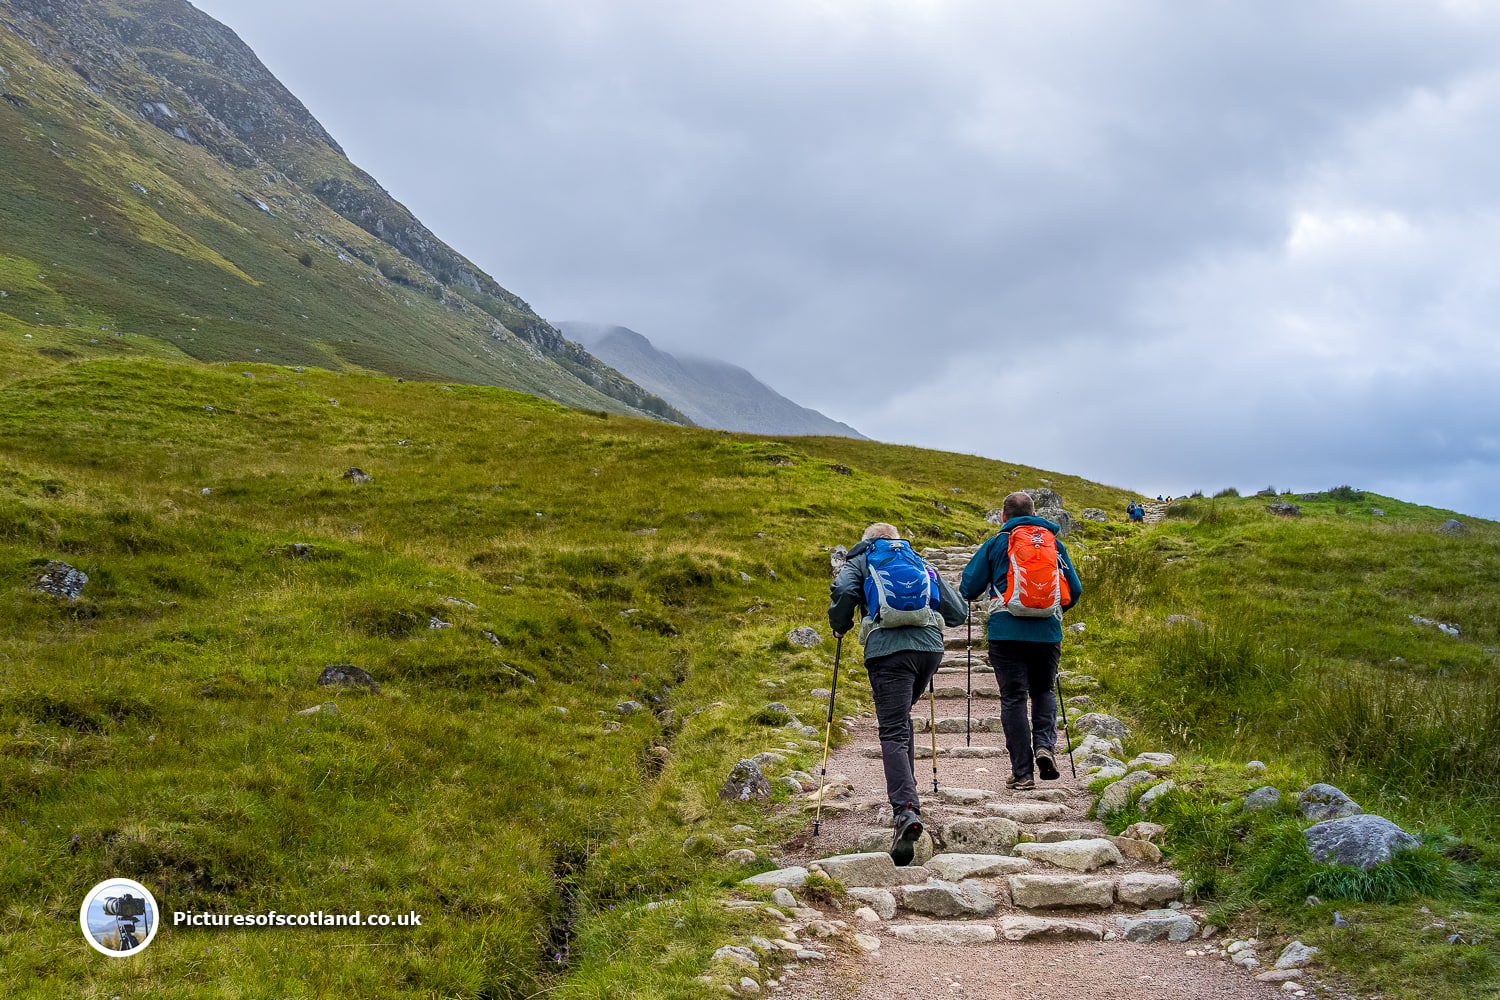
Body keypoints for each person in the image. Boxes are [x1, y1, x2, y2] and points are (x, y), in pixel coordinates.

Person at [829, 523, 967, 864]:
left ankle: (906, 811)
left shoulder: (861, 559)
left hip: (888, 651)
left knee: (892, 728)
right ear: (894, 539)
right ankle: (910, 798)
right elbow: (957, 612)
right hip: (929, 650)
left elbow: (845, 593)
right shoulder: (918, 559)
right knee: (901, 719)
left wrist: (840, 623)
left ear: (867, 540)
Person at [960, 492, 1082, 790]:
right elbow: (1075, 589)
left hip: (1006, 632)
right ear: (1033, 512)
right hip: (1047, 633)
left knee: (1014, 697)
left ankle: (1023, 773)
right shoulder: (1053, 543)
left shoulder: (997, 543)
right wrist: (1052, 611)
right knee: (1043, 690)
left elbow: (968, 587)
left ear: (1004, 516)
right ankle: (1045, 746)